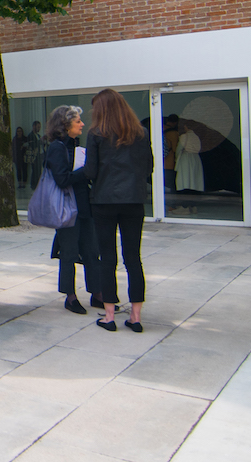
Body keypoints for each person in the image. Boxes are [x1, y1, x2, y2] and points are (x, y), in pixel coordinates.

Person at [84, 88, 154, 333]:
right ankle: (135, 317)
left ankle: (110, 316)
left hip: (104, 201)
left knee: (107, 258)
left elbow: (90, 171)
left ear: (102, 110)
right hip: (134, 201)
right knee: (133, 258)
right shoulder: (141, 133)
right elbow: (149, 166)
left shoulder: (95, 134)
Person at [44, 105, 102, 315]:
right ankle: (70, 297)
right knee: (68, 253)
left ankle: (97, 293)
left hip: (83, 206)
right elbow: (62, 179)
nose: (82, 124)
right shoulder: (57, 147)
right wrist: (85, 171)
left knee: (91, 251)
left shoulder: (77, 145)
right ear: (65, 124)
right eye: (78, 121)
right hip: (67, 209)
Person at [27, 120, 45, 188]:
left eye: (39, 127)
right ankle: (34, 185)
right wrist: (40, 141)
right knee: (35, 171)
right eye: (38, 127)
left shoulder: (38, 135)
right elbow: (32, 145)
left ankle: (38, 184)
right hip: (34, 156)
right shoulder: (31, 136)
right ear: (34, 126)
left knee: (39, 171)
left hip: (39, 155)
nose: (39, 129)